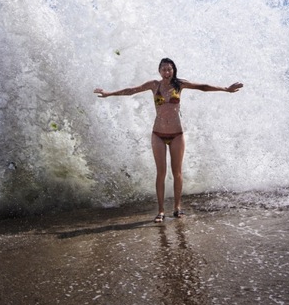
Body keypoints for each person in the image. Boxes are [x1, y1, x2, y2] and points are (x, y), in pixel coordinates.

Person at [94, 58, 243, 223]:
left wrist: (226, 89)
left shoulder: (180, 84)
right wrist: (109, 93)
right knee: (161, 173)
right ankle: (161, 211)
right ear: (159, 71)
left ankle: (177, 208)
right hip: (158, 133)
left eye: (169, 69)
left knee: (177, 173)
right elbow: (132, 90)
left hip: (177, 134)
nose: (167, 72)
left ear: (173, 70)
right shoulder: (154, 85)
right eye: (164, 69)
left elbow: (203, 87)